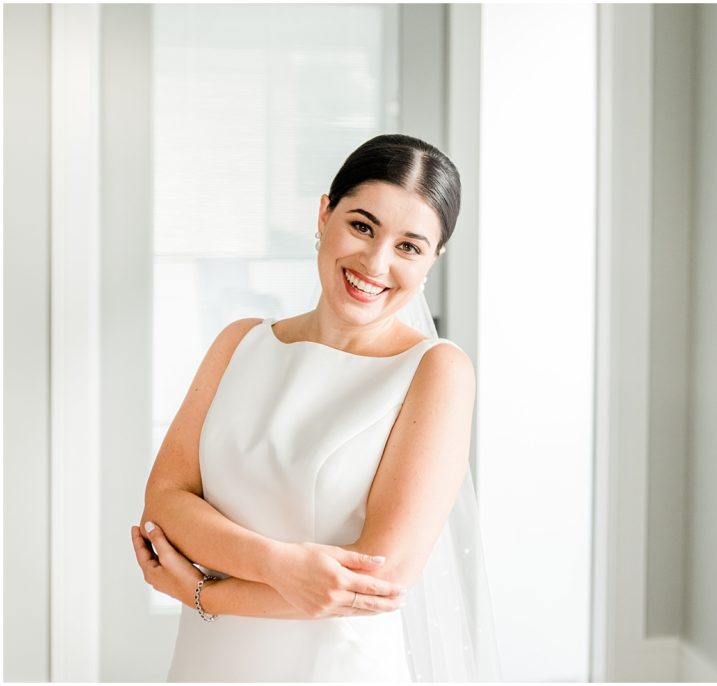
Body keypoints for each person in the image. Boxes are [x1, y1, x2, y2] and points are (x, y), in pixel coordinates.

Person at [130, 134, 501, 681]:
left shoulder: (436, 372)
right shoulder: (240, 343)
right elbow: (164, 502)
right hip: (209, 661)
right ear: (325, 214)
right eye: (362, 225)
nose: (375, 262)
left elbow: (380, 580)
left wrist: (209, 593)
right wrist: (279, 565)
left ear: (433, 260)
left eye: (409, 246)